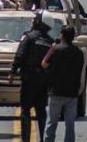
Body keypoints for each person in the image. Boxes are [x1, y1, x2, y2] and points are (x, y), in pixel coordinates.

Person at [9, 10, 55, 142]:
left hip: (28, 80)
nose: (32, 22)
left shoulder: (28, 37)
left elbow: (20, 55)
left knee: (25, 110)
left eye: (35, 19)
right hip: (43, 82)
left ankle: (26, 139)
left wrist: (12, 71)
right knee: (41, 112)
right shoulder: (51, 42)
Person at [41, 25, 85, 142]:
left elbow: (44, 63)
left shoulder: (55, 49)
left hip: (56, 91)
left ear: (62, 36)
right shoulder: (79, 53)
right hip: (72, 92)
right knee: (70, 125)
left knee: (51, 123)